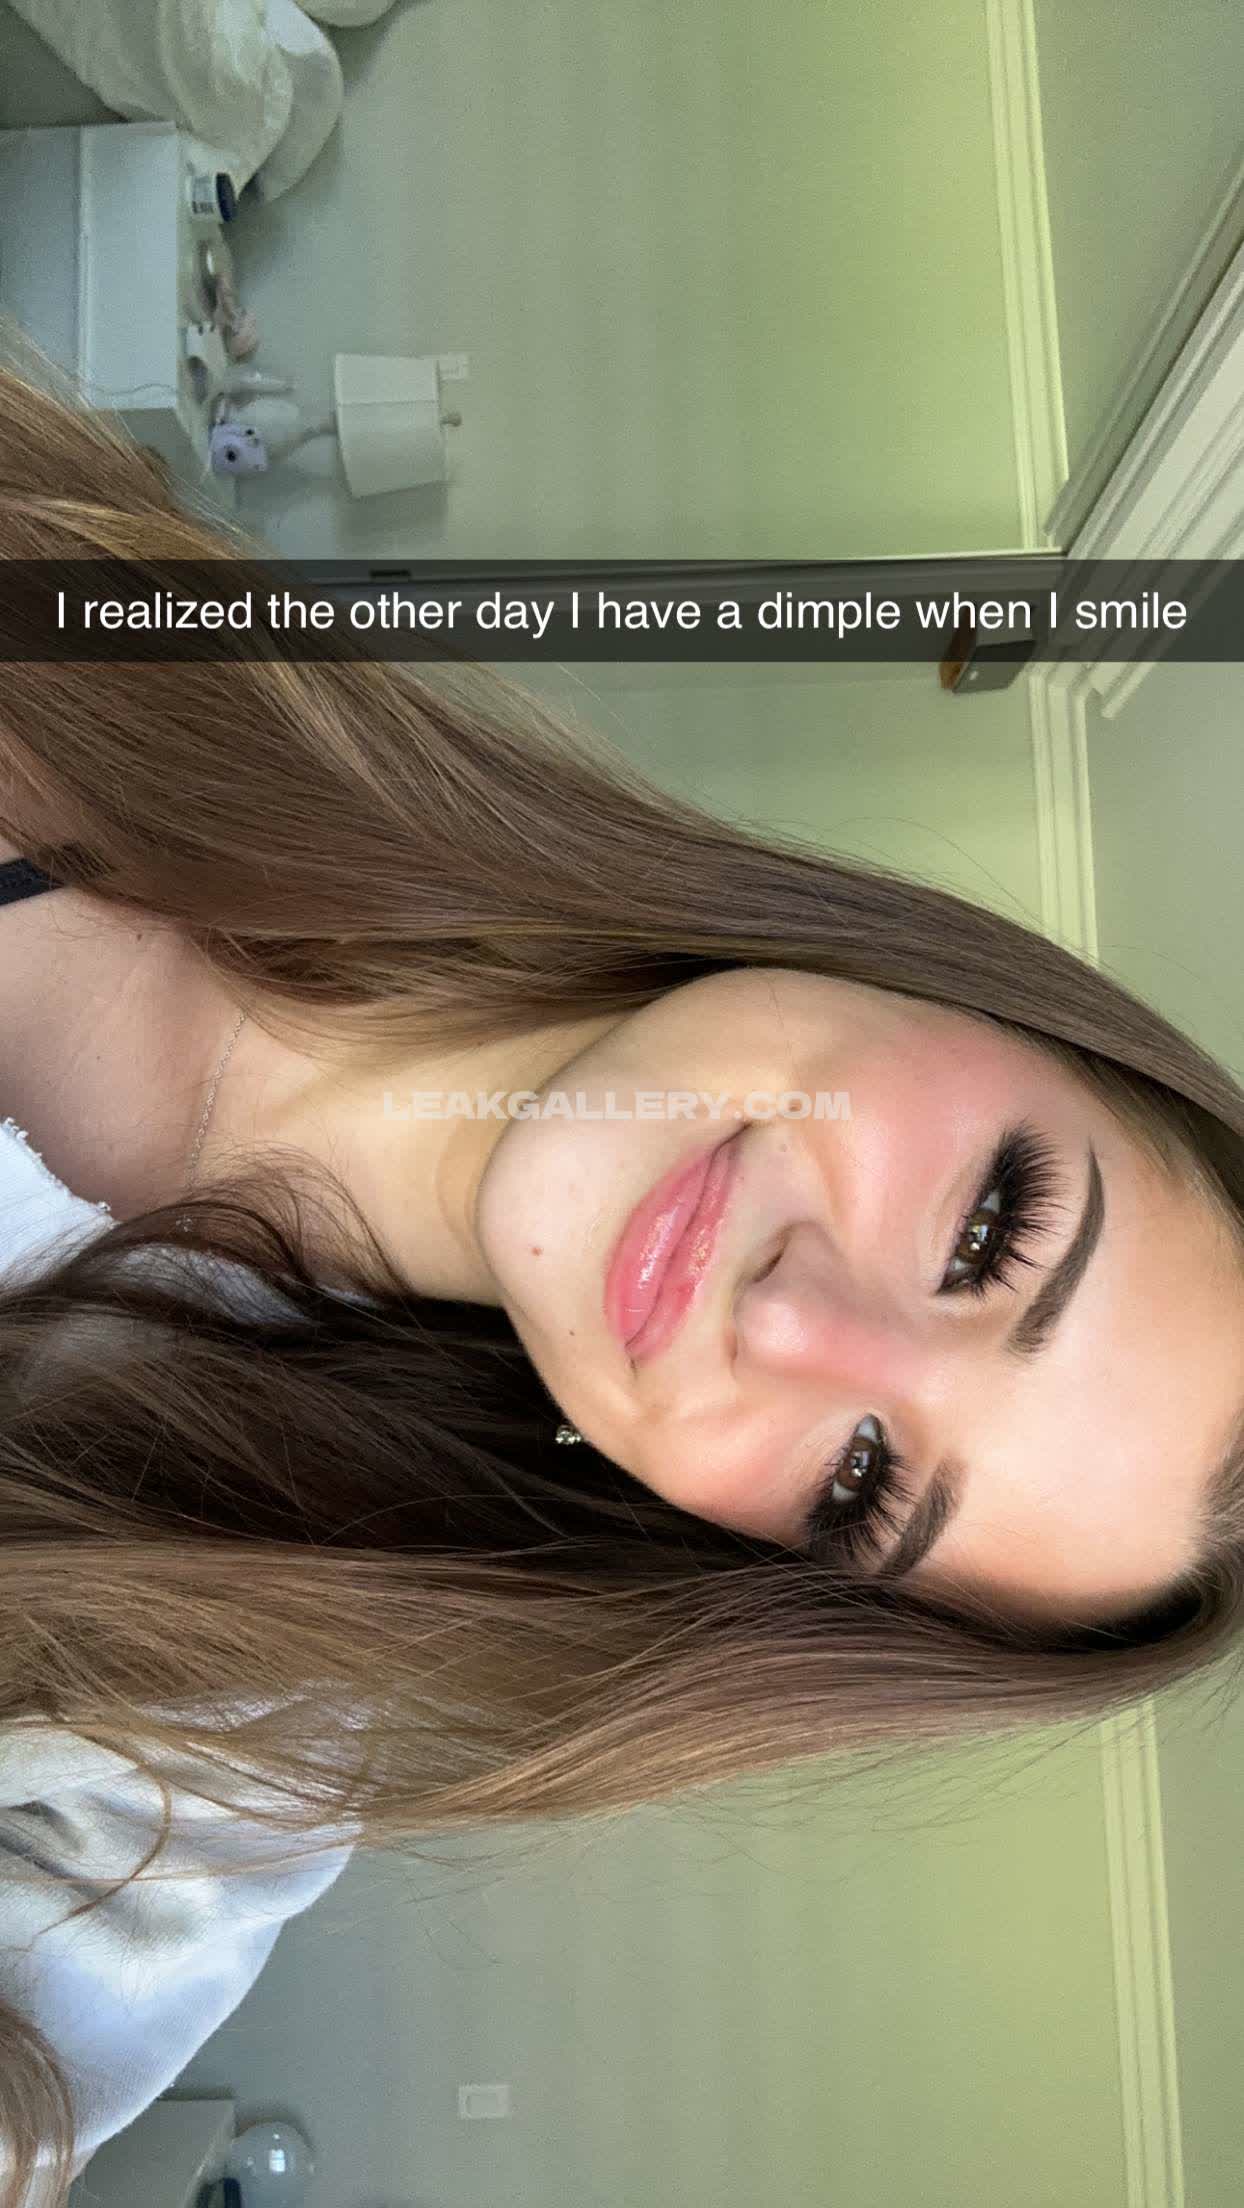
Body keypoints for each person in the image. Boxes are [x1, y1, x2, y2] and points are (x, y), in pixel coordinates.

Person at [0, 329, 1241, 2206]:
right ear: (976, 1000)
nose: (792, 1323)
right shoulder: (146, 633)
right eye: (992, 1231)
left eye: (862, 1482)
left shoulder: (209, 1743)